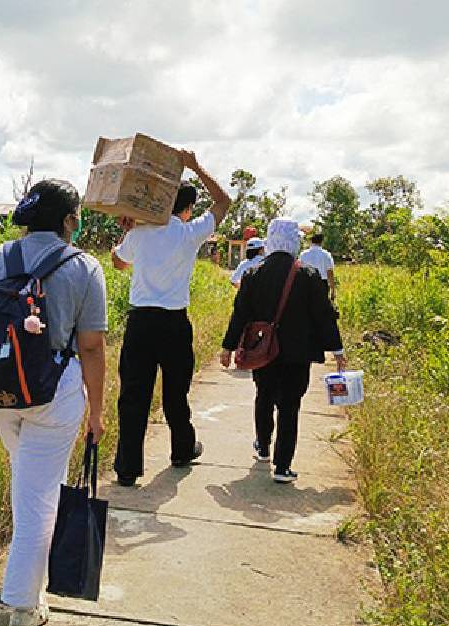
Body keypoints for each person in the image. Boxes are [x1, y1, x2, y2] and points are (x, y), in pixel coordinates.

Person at [0, 180, 108, 626]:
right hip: (53, 396)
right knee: (39, 498)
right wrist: (97, 413)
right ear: (69, 220)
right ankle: (24, 608)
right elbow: (91, 347)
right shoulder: (83, 267)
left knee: (26, 480)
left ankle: (32, 589)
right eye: (77, 216)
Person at [110, 151, 231, 487]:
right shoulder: (190, 233)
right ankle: (181, 449)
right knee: (176, 392)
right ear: (187, 209)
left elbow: (118, 263)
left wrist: (127, 232)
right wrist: (195, 165)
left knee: (134, 395)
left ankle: (127, 467)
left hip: (140, 323)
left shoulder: (140, 234)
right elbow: (224, 201)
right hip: (174, 325)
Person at [219, 218, 346, 484]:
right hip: (297, 354)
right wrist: (337, 350)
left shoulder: (253, 274)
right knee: (290, 406)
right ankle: (283, 467)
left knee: (263, 396)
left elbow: (239, 314)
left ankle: (263, 446)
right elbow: (324, 317)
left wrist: (228, 347)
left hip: (263, 351)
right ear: (294, 242)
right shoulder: (308, 275)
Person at [298, 231, 336, 300]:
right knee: (322, 306)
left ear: (311, 242)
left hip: (307, 284)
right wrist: (333, 290)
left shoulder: (303, 254)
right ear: (322, 242)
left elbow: (299, 271)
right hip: (322, 283)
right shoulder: (326, 254)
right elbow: (330, 273)